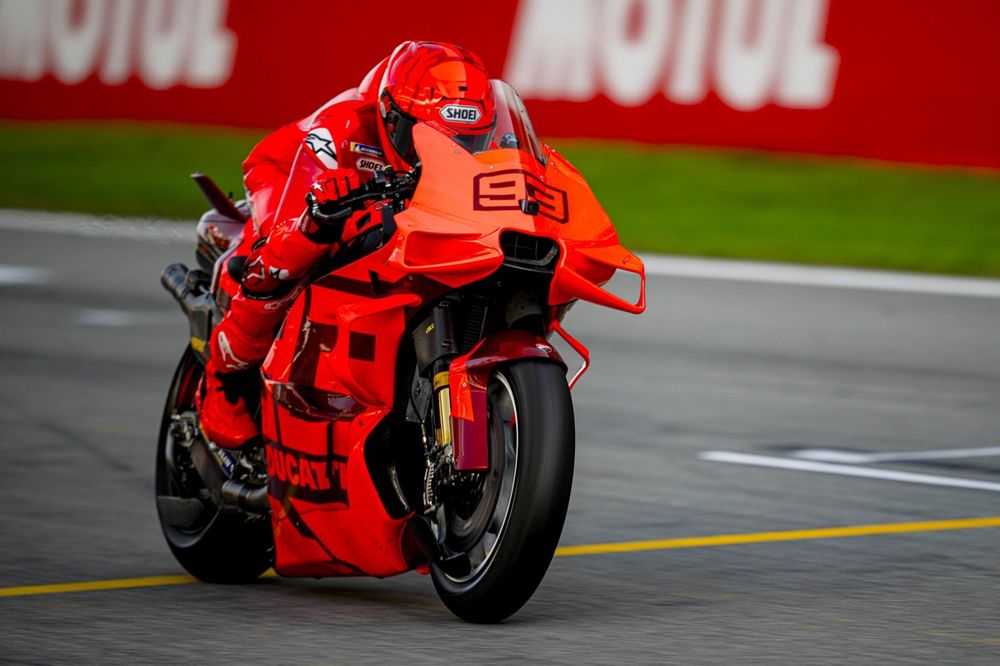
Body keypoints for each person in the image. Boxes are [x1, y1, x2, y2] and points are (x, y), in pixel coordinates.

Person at [197, 40, 497, 450]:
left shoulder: (493, 140)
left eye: (464, 140)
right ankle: (221, 381)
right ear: (391, 115)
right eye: (426, 137)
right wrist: (319, 214)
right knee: (280, 261)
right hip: (293, 172)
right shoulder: (345, 128)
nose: (446, 149)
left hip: (402, 206)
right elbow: (298, 222)